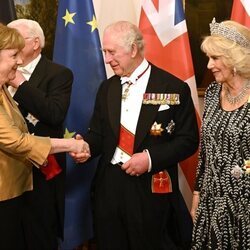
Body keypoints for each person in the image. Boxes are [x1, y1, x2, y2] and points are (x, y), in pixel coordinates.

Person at [73, 21, 199, 250]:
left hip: (149, 188)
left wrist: (150, 159)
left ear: (133, 49)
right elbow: (99, 135)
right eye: (105, 52)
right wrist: (87, 148)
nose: (107, 59)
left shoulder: (173, 87)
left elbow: (188, 140)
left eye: (112, 52)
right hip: (109, 188)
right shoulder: (107, 88)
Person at [0, 23, 90, 250]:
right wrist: (70, 144)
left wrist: (20, 84)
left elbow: (52, 114)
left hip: (35, 176)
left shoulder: (57, 74)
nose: (18, 60)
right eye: (12, 53)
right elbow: (17, 140)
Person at [191, 18, 250, 249]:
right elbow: (205, 150)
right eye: (208, 58)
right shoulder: (214, 92)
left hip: (245, 205)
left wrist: (241, 170)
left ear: (235, 59)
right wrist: (196, 193)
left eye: (215, 58)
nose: (208, 65)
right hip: (211, 204)